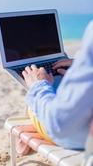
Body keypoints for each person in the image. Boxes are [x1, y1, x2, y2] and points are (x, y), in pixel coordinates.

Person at [16, 20, 93, 154]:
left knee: (33, 98)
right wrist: (84, 68)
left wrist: (38, 86)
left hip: (80, 138)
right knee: (58, 81)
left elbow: (60, 126)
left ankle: (27, 132)